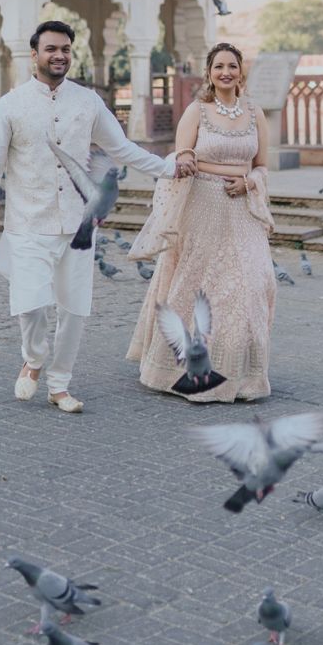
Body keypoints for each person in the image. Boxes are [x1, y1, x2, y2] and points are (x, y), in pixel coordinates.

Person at [0, 21, 175, 413]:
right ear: (34, 54)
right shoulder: (11, 105)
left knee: (74, 309)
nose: (59, 55)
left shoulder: (88, 101)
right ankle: (34, 358)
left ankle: (60, 386)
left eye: (65, 48)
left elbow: (123, 148)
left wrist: (170, 168)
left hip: (78, 226)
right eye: (51, 49)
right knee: (30, 304)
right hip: (28, 224)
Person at [126, 42, 276, 402]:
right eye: (219, 66)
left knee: (254, 283)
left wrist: (249, 182)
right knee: (200, 288)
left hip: (241, 211)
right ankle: (186, 372)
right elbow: (182, 158)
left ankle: (243, 376)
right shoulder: (197, 111)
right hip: (202, 207)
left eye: (232, 66)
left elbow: (262, 165)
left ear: (241, 72)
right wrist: (199, 164)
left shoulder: (255, 113)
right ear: (209, 73)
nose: (226, 72)